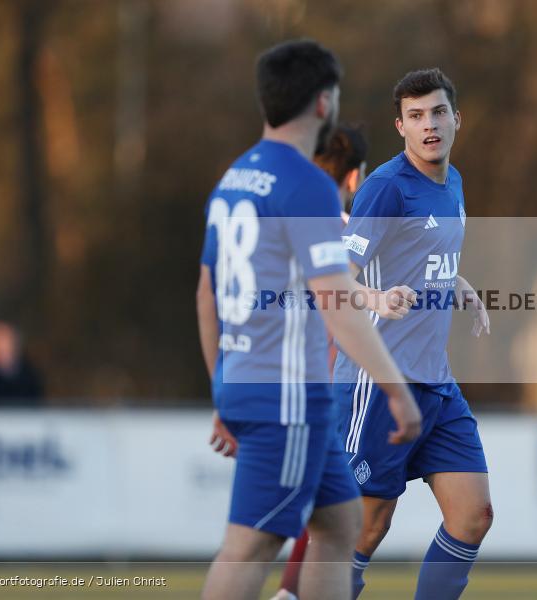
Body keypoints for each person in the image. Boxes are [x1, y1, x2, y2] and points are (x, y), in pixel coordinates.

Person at [196, 40, 420, 600]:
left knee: (340, 525)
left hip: (265, 388)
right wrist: (396, 390)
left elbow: (206, 294)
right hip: (288, 398)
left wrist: (222, 386)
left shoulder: (235, 179)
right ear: (323, 104)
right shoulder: (309, 186)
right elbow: (337, 301)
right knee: (250, 546)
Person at [332, 68, 493, 600]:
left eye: (438, 113)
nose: (430, 125)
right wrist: (377, 300)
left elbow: (426, 258)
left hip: (435, 383)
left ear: (456, 119)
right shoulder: (385, 188)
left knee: (473, 515)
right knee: (367, 528)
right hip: (379, 383)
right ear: (400, 126)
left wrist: (459, 284)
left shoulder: (454, 182)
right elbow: (335, 280)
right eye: (417, 116)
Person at [263, 124, 369, 600]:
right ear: (354, 179)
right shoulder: (351, 234)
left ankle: (289, 593)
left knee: (313, 515)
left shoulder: (278, 224)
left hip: (268, 384)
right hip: (328, 389)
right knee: (340, 515)